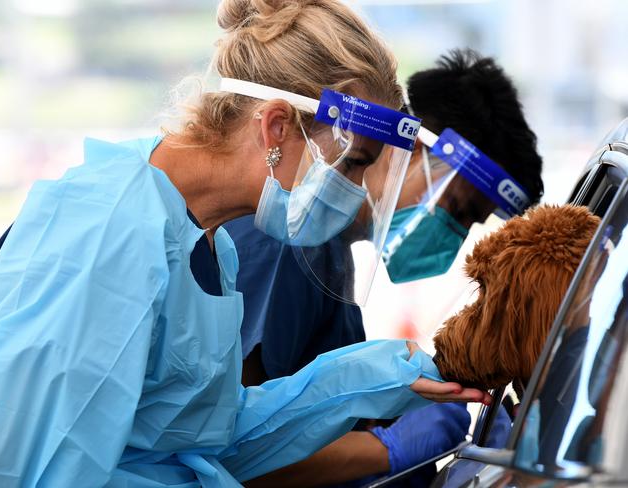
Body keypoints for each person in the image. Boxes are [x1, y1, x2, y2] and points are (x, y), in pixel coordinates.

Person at [0, 2, 491, 487]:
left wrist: (373, 376)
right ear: (276, 127)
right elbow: (32, 465)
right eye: (353, 162)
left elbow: (208, 438)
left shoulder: (206, 244)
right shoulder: (108, 237)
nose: (357, 190)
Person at [225, 49, 543, 486]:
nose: (454, 234)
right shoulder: (289, 243)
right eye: (455, 208)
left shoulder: (330, 255)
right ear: (409, 148)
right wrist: (385, 451)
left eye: (468, 224)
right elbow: (230, 450)